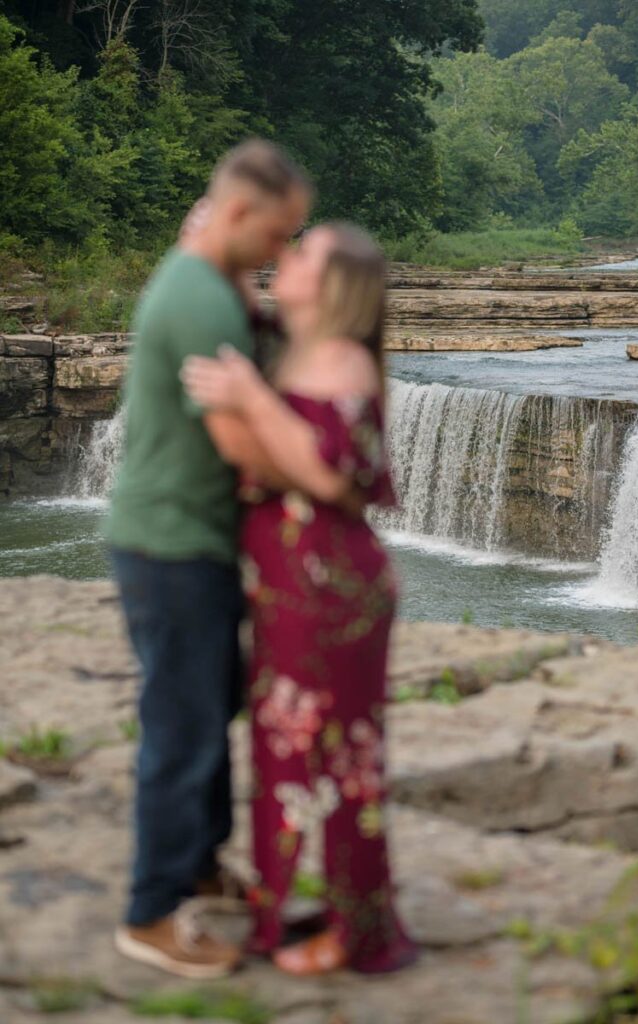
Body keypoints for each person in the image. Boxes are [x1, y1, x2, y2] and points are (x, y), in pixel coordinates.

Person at [182, 222, 419, 976]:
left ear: (334, 285)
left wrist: (251, 395)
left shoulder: (344, 360)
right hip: (290, 589)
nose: (286, 257)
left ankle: (359, 936)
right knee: (284, 752)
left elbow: (329, 480)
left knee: (343, 762)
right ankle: (290, 907)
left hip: (333, 593)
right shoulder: (297, 349)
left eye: (304, 253)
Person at [107, 140, 314, 979]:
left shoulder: (206, 281)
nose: (281, 253)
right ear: (235, 214)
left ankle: (198, 862)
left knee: (210, 698)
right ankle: (150, 911)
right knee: (183, 723)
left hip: (185, 539)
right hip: (172, 543)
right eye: (276, 234)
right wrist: (326, 475)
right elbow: (243, 451)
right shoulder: (200, 303)